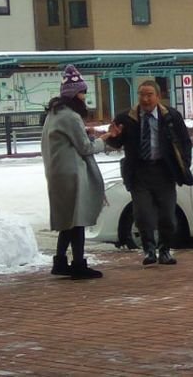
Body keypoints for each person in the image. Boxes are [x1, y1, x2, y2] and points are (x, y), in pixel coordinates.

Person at [41, 65, 121, 280]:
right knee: (77, 219)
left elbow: (69, 139)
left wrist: (87, 133)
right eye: (83, 92)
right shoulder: (71, 116)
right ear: (74, 94)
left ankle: (60, 261)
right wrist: (104, 139)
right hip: (72, 174)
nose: (85, 96)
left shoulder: (54, 113)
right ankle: (78, 264)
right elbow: (85, 148)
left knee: (68, 219)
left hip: (57, 172)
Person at [105, 80, 193, 266]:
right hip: (139, 173)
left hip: (164, 171)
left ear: (158, 96)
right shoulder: (127, 118)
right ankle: (149, 251)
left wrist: (184, 164)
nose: (145, 99)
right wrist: (113, 138)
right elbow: (117, 143)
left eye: (149, 95)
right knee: (143, 215)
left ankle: (165, 251)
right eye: (141, 95)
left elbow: (185, 142)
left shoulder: (171, 116)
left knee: (168, 216)